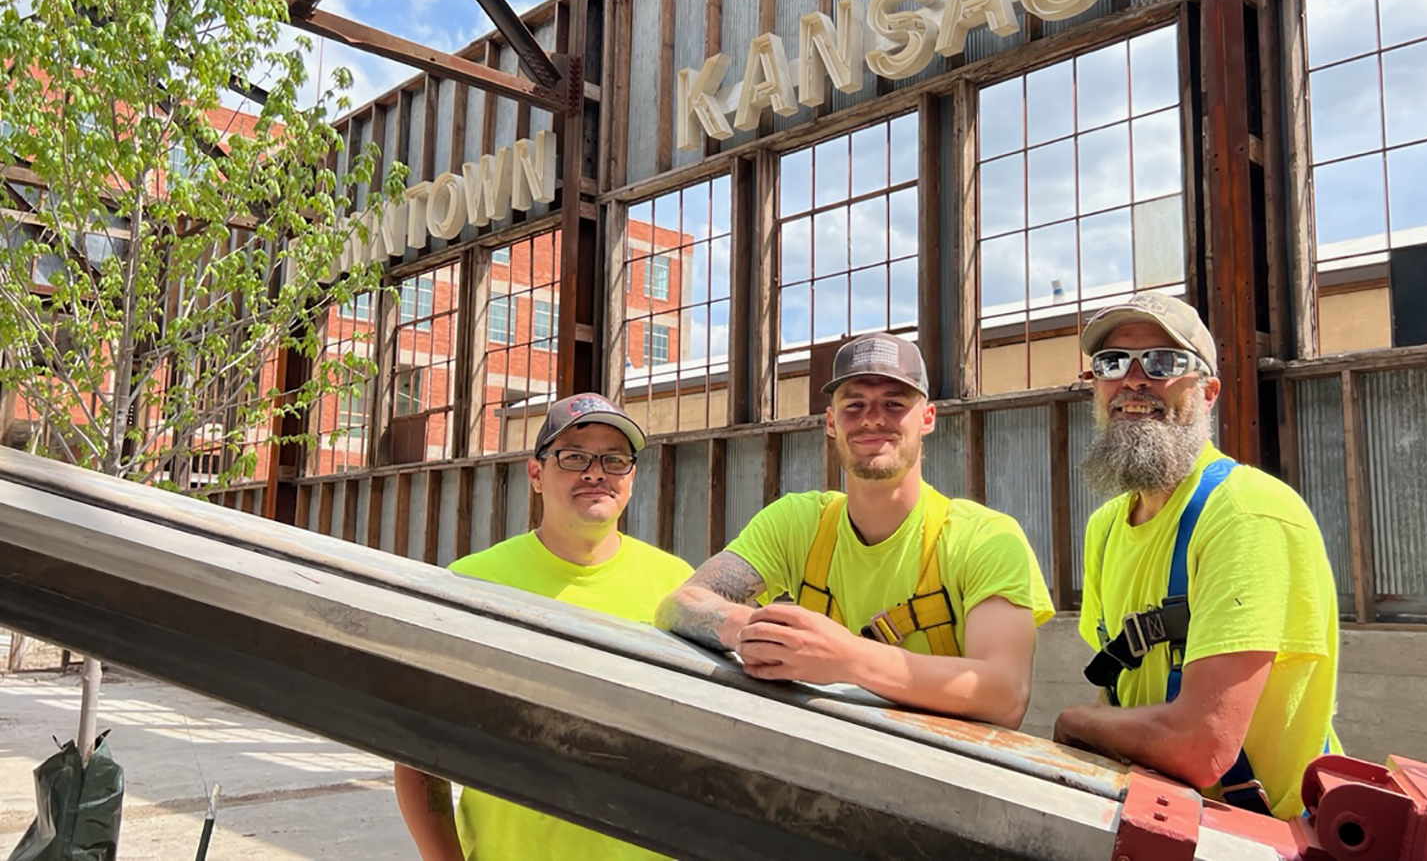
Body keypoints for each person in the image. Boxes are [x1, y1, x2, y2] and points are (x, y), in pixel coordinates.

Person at [656, 332, 1054, 729]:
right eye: (854, 405)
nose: (872, 418)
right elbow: (678, 605)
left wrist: (847, 659)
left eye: (895, 404)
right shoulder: (798, 521)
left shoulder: (983, 539)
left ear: (928, 419)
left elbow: (1005, 695)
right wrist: (755, 632)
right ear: (831, 422)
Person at [1051, 292, 1340, 819]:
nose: (1133, 381)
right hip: (1156, 815)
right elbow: (1122, 691)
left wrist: (1076, 725)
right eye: (1111, 363)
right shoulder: (1107, 527)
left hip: (1256, 836)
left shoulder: (1246, 514)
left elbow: (1201, 745)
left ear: (1208, 392)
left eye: (1164, 362)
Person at [395, 393, 693, 861]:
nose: (596, 472)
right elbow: (416, 750)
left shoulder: (677, 588)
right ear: (536, 474)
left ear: (632, 478)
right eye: (574, 457)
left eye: (614, 460)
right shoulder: (472, 586)